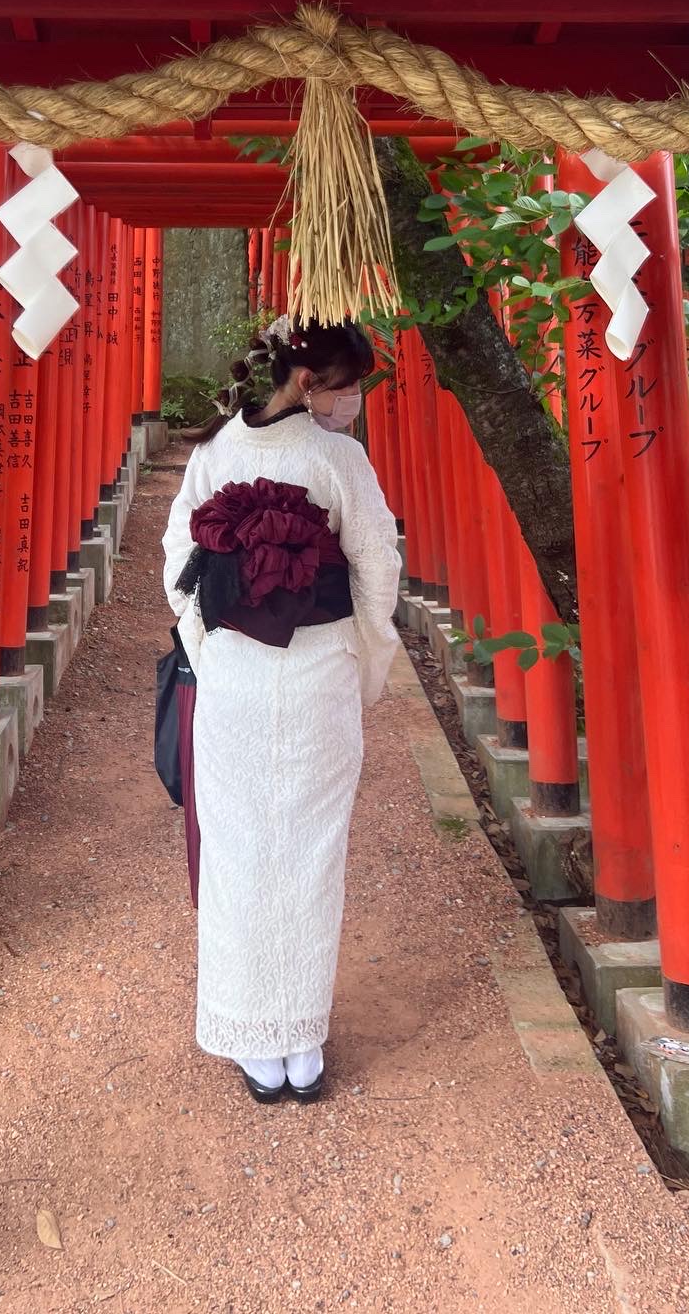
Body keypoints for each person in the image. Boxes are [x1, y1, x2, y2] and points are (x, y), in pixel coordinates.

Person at [162, 316, 401, 1103]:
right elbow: (376, 565)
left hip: (232, 672)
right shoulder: (339, 458)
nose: (352, 401)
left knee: (237, 849)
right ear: (308, 384)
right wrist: (367, 658)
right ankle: (301, 1038)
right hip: (317, 674)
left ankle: (249, 1033)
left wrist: (208, 645)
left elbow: (178, 567)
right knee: (309, 851)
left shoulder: (211, 451)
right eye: (346, 385)